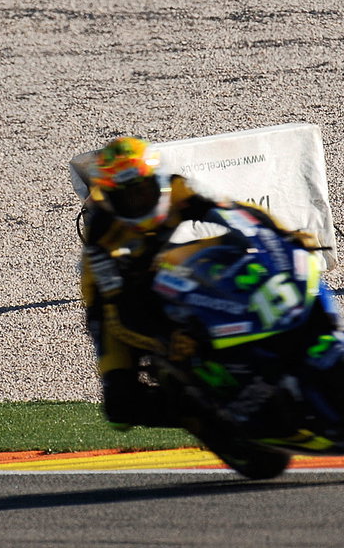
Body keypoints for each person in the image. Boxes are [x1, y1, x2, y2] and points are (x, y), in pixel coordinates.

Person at [74, 136, 317, 429]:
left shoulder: (178, 187)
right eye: (126, 196)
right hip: (114, 298)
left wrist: (285, 236)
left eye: (144, 188)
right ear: (110, 197)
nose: (138, 200)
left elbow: (239, 213)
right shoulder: (102, 237)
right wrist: (164, 339)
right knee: (120, 405)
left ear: (158, 178)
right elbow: (119, 311)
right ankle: (203, 418)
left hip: (169, 265)